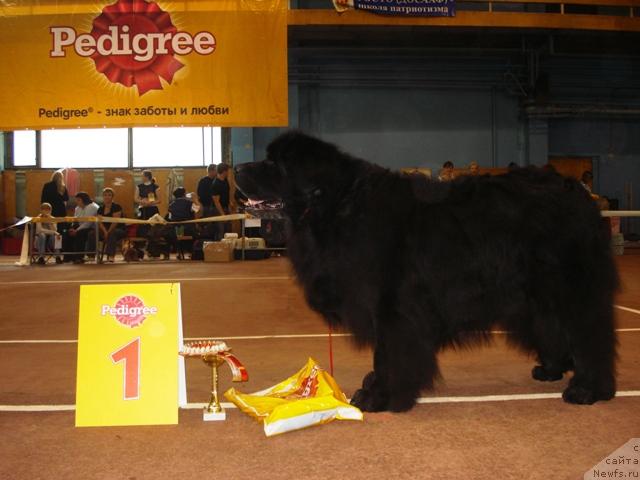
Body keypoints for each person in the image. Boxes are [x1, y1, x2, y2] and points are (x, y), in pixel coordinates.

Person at [66, 192, 99, 263]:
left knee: (80, 233)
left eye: (78, 200)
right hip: (81, 226)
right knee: (66, 232)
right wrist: (72, 228)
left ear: (84, 200)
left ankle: (79, 257)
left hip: (92, 227)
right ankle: (69, 256)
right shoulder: (77, 208)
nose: (76, 202)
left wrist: (76, 230)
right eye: (76, 200)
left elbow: (88, 223)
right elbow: (75, 220)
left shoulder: (92, 207)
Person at [98, 188, 127, 263]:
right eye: (105, 195)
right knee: (92, 233)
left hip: (119, 229)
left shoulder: (117, 207)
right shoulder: (100, 208)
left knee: (112, 233)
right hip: (105, 229)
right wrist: (105, 231)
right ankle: (91, 255)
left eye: (109, 195)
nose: (107, 197)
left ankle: (111, 256)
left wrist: (108, 232)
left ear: (112, 197)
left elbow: (115, 222)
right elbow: (99, 222)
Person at [211, 163, 231, 240]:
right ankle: (219, 250)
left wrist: (229, 206)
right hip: (218, 210)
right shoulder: (216, 184)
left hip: (225, 208)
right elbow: (216, 201)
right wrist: (222, 214)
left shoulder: (225, 181)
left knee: (228, 230)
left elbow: (227, 195)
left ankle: (228, 249)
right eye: (228, 171)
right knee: (220, 231)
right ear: (224, 171)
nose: (229, 173)